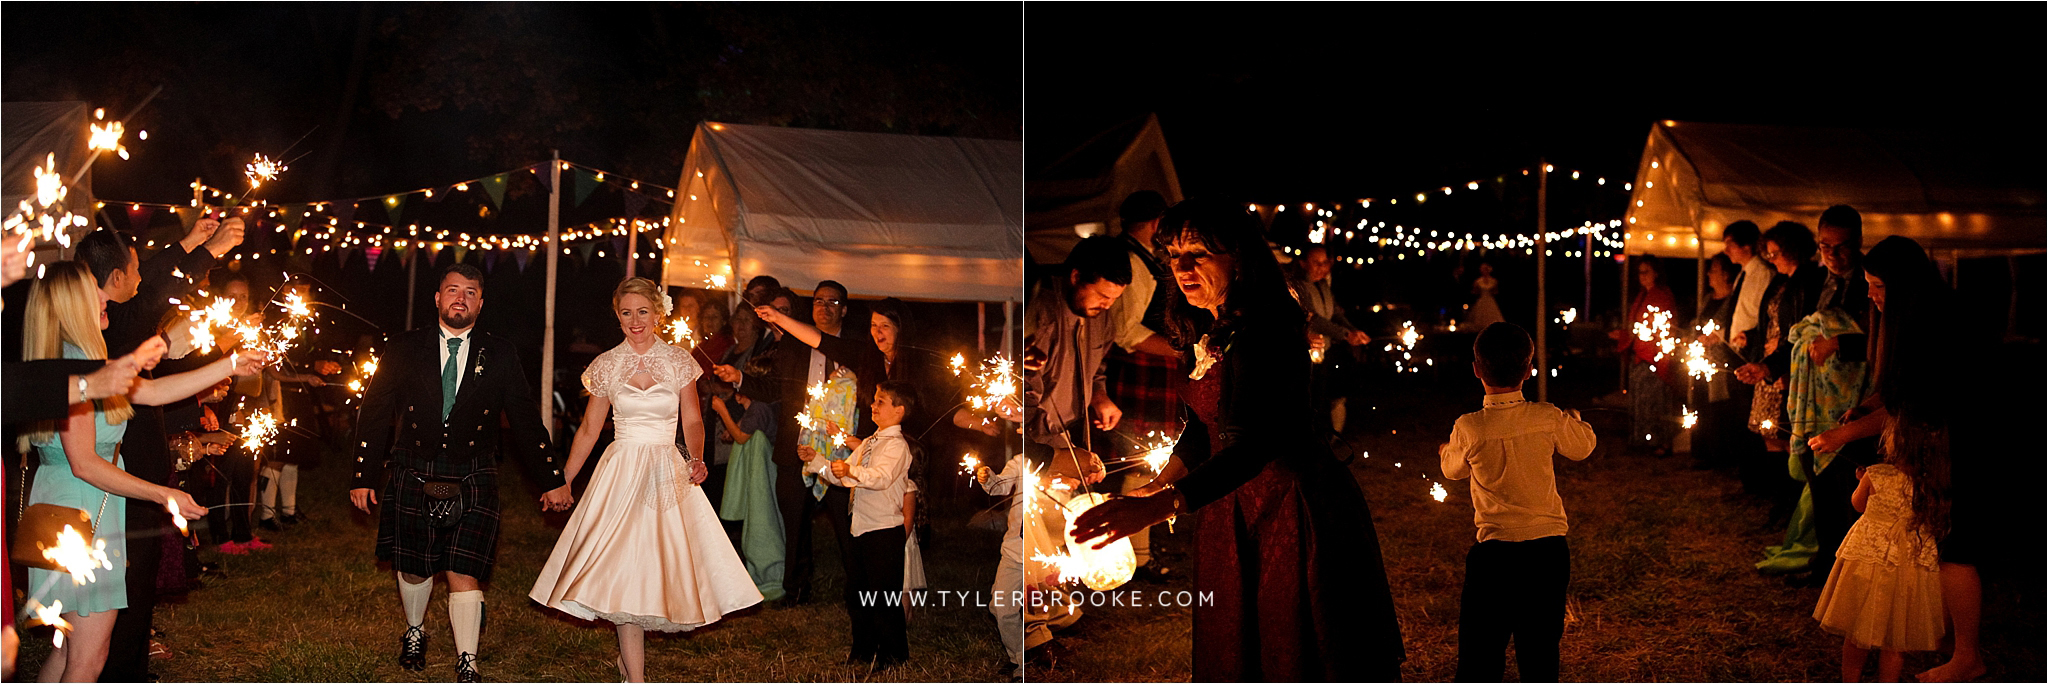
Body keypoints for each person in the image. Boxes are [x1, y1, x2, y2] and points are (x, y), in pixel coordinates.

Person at [1073, 198, 1403, 681]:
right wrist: (1153, 487)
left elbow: (1253, 445)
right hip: (1233, 507)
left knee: (1296, 647)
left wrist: (1159, 506)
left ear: (1239, 258)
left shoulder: (1266, 330)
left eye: (1199, 254)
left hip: (1290, 509)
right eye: (1174, 255)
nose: (1182, 267)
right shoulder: (1209, 329)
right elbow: (1202, 431)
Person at [17, 261, 251, 682]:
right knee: (89, 656)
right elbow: (85, 463)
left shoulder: (84, 361)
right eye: (96, 291)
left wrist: (230, 364)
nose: (106, 297)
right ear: (72, 303)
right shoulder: (75, 365)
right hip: (79, 512)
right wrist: (165, 495)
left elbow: (156, 390)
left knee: (70, 647)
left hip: (70, 505)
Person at [529, 278, 762, 682]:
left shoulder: (678, 361)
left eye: (642, 312)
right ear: (616, 315)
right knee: (622, 566)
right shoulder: (605, 364)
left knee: (655, 563)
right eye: (626, 313)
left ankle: (630, 665)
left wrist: (696, 458)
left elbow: (692, 417)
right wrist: (562, 480)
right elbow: (587, 429)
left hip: (664, 469)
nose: (635, 321)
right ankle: (635, 676)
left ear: (657, 313)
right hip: (620, 470)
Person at [348, 264, 572, 682]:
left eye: (470, 292)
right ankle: (415, 630)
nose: (460, 298)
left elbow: (524, 417)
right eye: (453, 290)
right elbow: (375, 411)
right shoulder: (402, 348)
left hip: (474, 473)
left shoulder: (500, 353)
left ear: (480, 303)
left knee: (463, 570)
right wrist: (363, 474)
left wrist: (551, 476)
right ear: (436, 297)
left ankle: (467, 660)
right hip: (414, 467)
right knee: (414, 567)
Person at [75, 218, 239, 683]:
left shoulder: (112, 323)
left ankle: (123, 666)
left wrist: (190, 241)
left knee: (129, 593)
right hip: (113, 486)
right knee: (121, 594)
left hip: (134, 478)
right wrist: (209, 250)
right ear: (115, 278)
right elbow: (150, 303)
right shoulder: (110, 325)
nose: (143, 276)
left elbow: (153, 391)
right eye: (136, 269)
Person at [1439, 322, 1598, 682]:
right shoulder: (1547, 417)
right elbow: (1583, 446)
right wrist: (1576, 420)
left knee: (1480, 655)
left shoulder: (1469, 427)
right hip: (1547, 553)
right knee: (1540, 651)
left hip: (1493, 556)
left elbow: (1453, 470)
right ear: (1529, 370)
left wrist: (1446, 450)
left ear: (1477, 369)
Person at [709, 280, 883, 607]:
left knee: (847, 522)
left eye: (833, 302)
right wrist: (740, 378)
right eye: (819, 300)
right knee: (794, 520)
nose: (825, 307)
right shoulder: (793, 344)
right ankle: (796, 589)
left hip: (842, 449)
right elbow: (774, 388)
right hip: (797, 446)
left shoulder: (856, 346)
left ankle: (858, 589)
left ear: (844, 309)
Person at [1811, 419, 1949, 682]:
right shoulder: (1932, 484)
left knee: (1857, 632)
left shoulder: (1876, 474)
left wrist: (1861, 481)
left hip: (1869, 559)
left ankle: (1850, 680)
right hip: (1908, 562)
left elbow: (1858, 505)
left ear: (1892, 444)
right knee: (1895, 640)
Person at [799, 381, 917, 669]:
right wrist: (818, 462)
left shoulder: (898, 447)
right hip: (860, 527)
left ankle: (893, 654)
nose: (873, 406)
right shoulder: (870, 443)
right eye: (874, 400)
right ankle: (863, 648)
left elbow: (880, 478)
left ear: (898, 411)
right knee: (857, 593)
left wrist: (851, 470)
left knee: (883, 596)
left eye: (881, 402)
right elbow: (845, 478)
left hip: (883, 529)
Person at [1791, 205, 1877, 588]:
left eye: (1841, 247)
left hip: (1854, 398)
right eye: (1824, 245)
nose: (1832, 255)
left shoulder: (1871, 282)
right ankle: (1825, 564)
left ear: (1857, 244)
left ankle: (1848, 573)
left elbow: (1878, 340)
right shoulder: (1810, 279)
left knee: (1848, 489)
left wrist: (1839, 341)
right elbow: (1801, 331)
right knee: (1819, 484)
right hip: (1812, 394)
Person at [1738, 222, 1829, 575]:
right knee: (1770, 436)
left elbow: (1798, 330)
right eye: (1769, 253)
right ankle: (1781, 504)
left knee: (1785, 434)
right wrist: (1756, 347)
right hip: (1773, 364)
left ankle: (1791, 506)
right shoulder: (1781, 281)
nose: (1772, 258)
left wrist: (1777, 366)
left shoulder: (1809, 280)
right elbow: (1770, 321)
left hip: (1790, 369)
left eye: (1776, 252)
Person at [710, 354, 785, 600]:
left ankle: (769, 576)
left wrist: (722, 410)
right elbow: (741, 431)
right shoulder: (759, 408)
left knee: (763, 523)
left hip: (764, 474)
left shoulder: (760, 407)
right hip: (765, 472)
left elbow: (742, 436)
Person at [1292, 245, 1373, 441]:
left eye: (1325, 262)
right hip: (1303, 354)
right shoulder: (1299, 287)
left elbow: (1335, 313)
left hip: (1324, 354)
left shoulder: (1323, 285)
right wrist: (1345, 335)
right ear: (1303, 263)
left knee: (1324, 398)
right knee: (1308, 402)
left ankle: (1326, 440)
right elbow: (1314, 319)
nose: (1322, 267)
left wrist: (1353, 331)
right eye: (1316, 263)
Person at [1614, 254, 1679, 456]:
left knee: (1657, 401)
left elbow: (1666, 328)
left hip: (1654, 357)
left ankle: (1661, 442)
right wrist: (1625, 336)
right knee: (1642, 400)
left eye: (1646, 272)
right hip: (1640, 356)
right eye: (1640, 272)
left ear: (1656, 273)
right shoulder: (1643, 295)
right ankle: (1644, 439)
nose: (1641, 276)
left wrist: (1657, 354)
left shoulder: (1662, 295)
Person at [1466, 261, 1506, 330]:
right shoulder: (1478, 281)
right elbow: (1474, 292)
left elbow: (1496, 292)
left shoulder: (1493, 281)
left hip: (1490, 300)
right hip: (1482, 300)